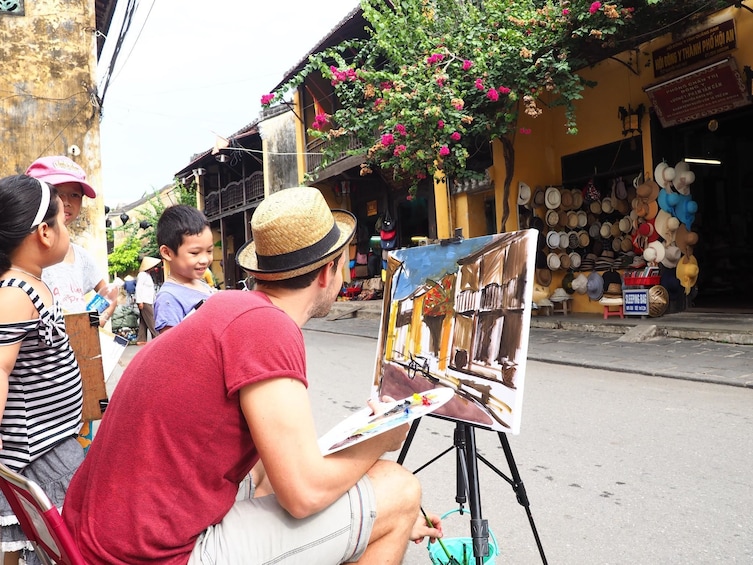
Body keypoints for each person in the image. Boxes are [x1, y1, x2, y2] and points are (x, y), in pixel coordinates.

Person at [63, 186, 442, 564]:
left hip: (96, 538)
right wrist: (383, 439)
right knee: (398, 490)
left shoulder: (228, 307)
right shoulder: (268, 329)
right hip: (146, 556)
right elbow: (303, 494)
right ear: (328, 272)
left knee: (351, 489)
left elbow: (275, 471)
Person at [0, 175, 85, 565]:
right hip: (36, 450)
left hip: (53, 438)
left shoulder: (33, 283)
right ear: (45, 232)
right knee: (57, 538)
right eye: (64, 222)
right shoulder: (16, 293)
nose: (68, 229)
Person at [25, 156, 117, 327]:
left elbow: (107, 294)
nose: (66, 202)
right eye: (58, 193)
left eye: (75, 195)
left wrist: (97, 322)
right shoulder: (20, 249)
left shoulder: (81, 256)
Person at [154, 205, 216, 333]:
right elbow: (171, 347)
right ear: (167, 253)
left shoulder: (202, 285)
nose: (204, 259)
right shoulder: (168, 298)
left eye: (209, 251)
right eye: (194, 253)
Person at [135, 257, 160, 345]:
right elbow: (139, 288)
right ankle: (156, 337)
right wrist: (139, 301)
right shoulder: (142, 275)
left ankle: (141, 338)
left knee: (143, 321)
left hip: (148, 300)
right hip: (145, 301)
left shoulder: (147, 275)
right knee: (151, 320)